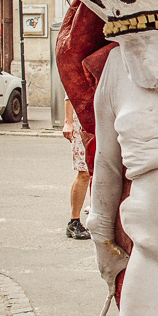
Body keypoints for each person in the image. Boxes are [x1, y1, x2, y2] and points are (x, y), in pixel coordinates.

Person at [63, 98, 92, 239]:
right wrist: (68, 122)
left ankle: (96, 215)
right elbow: (69, 95)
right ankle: (74, 221)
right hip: (81, 122)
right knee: (84, 171)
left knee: (99, 171)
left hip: (99, 120)